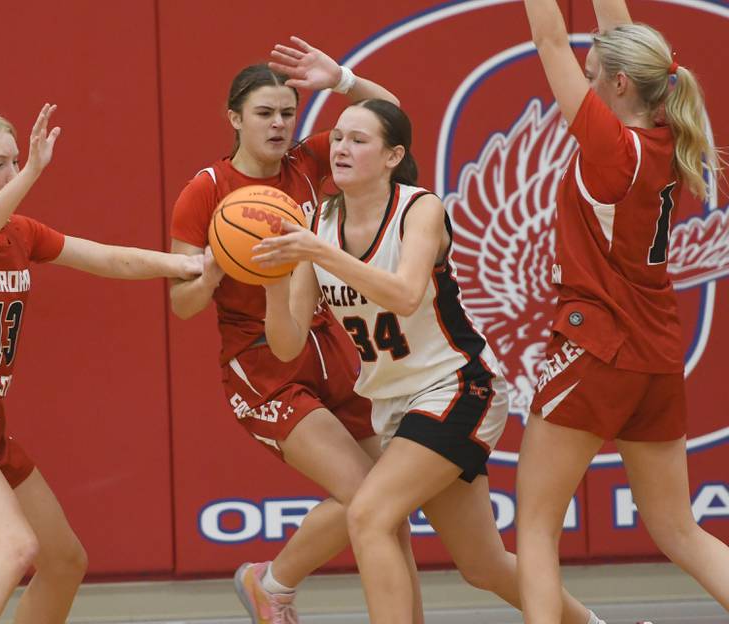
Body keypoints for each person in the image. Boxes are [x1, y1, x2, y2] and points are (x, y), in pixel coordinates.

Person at [253, 98, 603, 624]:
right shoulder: (316, 222)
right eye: (339, 137)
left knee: (369, 515)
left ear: (393, 156)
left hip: (458, 387)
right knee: (482, 564)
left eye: (358, 140)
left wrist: (317, 255)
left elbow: (405, 295)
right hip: (395, 402)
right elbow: (286, 345)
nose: (342, 148)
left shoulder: (419, 208)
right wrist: (275, 285)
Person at [169, 37, 423, 623]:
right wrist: (208, 275)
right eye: (264, 113)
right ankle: (273, 582)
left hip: (332, 344)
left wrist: (342, 80)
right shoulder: (205, 190)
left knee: (392, 510)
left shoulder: (309, 162)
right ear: (235, 118)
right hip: (263, 363)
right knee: (368, 497)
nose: (279, 124)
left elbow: (391, 116)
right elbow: (182, 305)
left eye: (287, 112)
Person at [0, 104, 202, 624]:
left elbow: (107, 258)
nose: (13, 173)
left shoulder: (21, 233)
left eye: (16, 163)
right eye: (0, 164)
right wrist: (34, 171)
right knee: (13, 545)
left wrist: (190, 262)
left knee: (63, 560)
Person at [517, 0, 729, 622]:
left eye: (590, 76)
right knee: (679, 530)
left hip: (597, 348)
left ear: (615, 84)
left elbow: (547, 38)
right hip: (656, 352)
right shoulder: (663, 134)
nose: (580, 81)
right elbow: (618, 34)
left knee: (534, 527)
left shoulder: (613, 146)